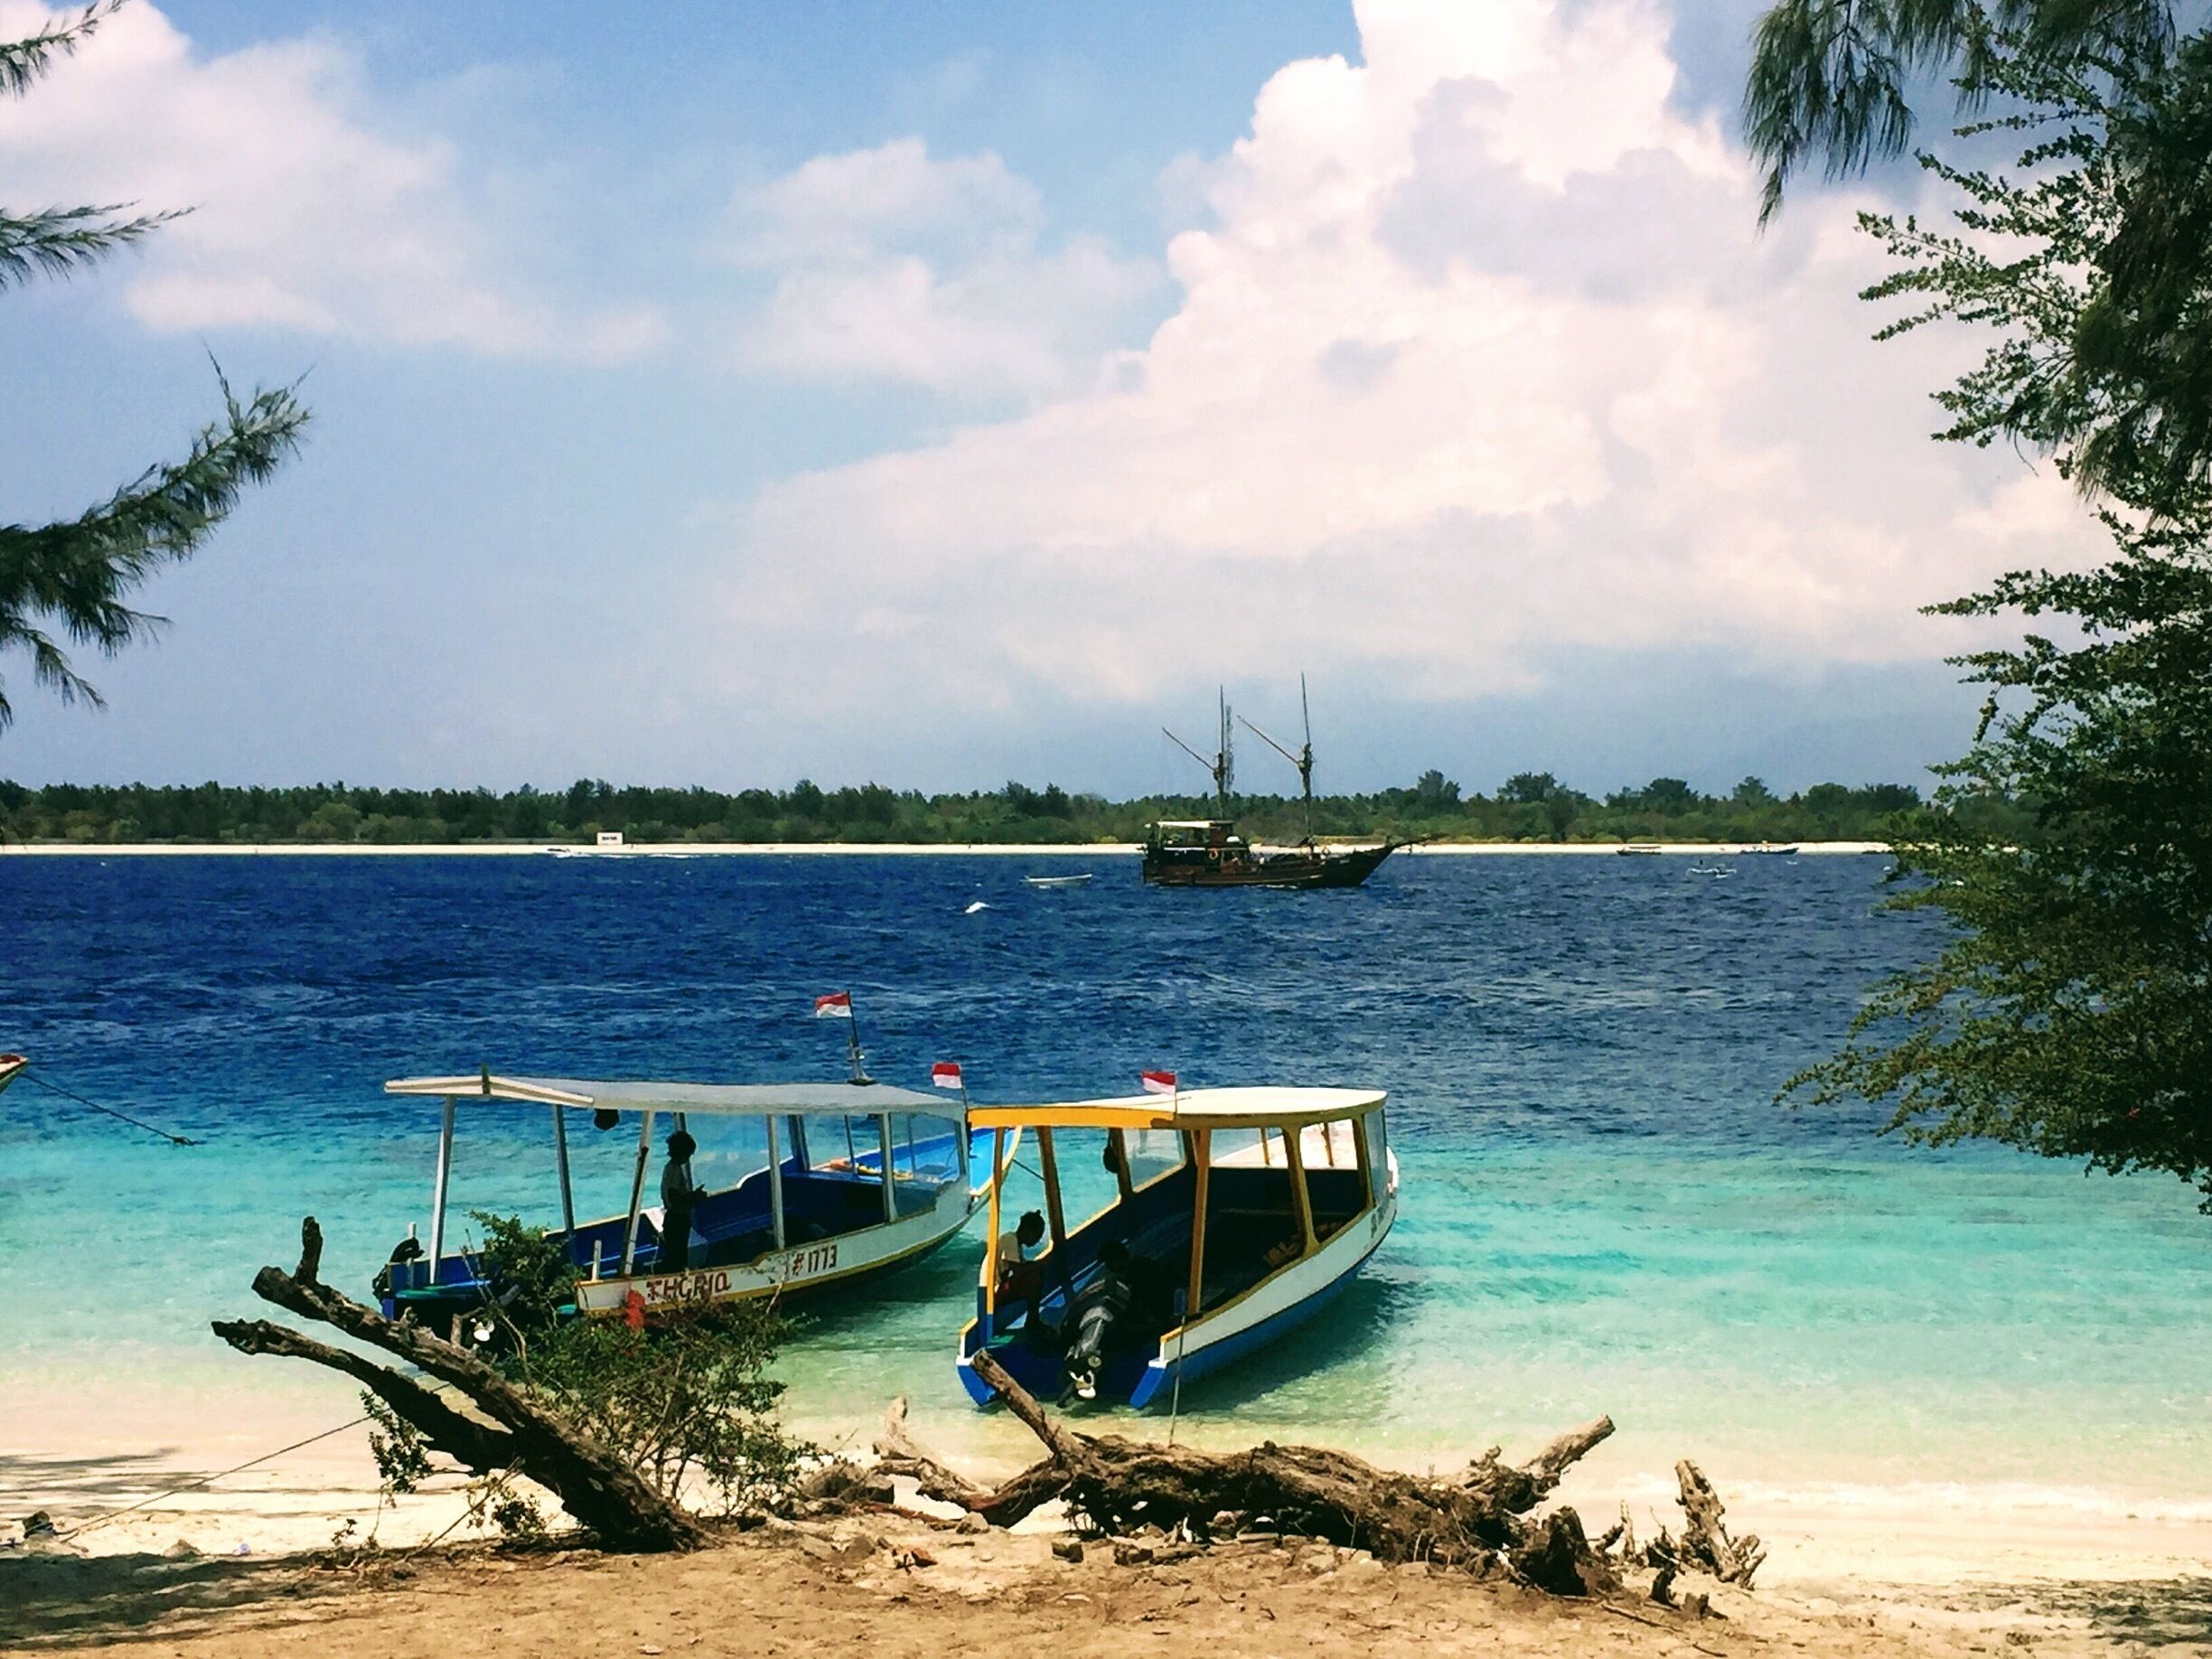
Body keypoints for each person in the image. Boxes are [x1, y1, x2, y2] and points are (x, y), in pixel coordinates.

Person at [660, 1129, 701, 1273]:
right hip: (676, 1218)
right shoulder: (673, 1170)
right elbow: (673, 1197)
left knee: (677, 1254)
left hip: (676, 1217)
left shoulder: (672, 1168)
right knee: (677, 1257)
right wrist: (693, 1196)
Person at [994, 1209, 1047, 1313]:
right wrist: (1039, 1264)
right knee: (1033, 1278)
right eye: (1037, 1236)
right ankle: (1033, 1318)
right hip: (996, 1291)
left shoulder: (1017, 1244)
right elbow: (1018, 1270)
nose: (1037, 1241)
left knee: (1036, 1272)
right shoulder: (1010, 1240)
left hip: (1000, 1287)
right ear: (1027, 1231)